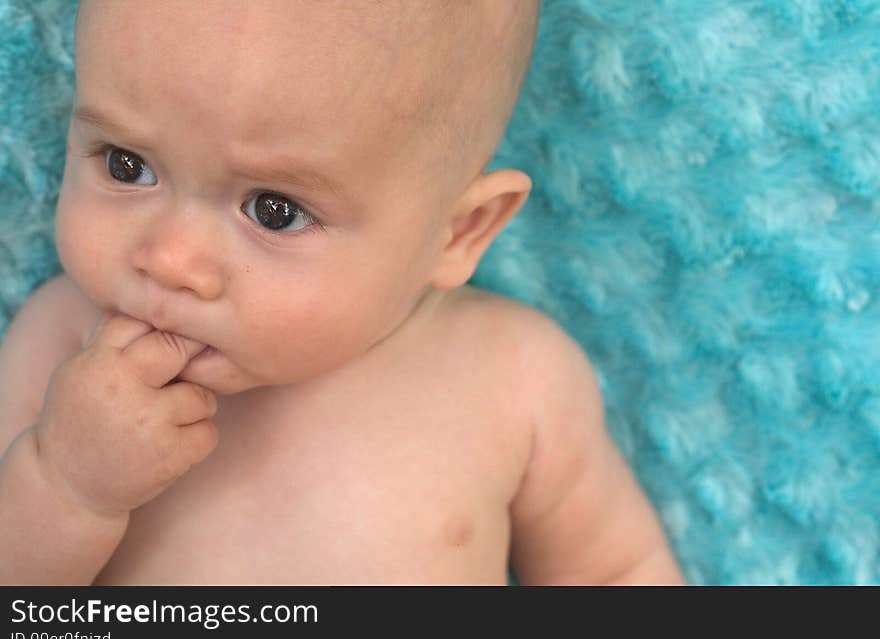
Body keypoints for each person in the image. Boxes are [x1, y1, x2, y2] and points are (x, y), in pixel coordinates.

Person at [0, 0, 683, 584]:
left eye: (274, 211)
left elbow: (616, 573)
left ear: (457, 232)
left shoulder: (513, 375)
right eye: (127, 165)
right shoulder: (65, 348)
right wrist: (65, 487)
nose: (170, 260)